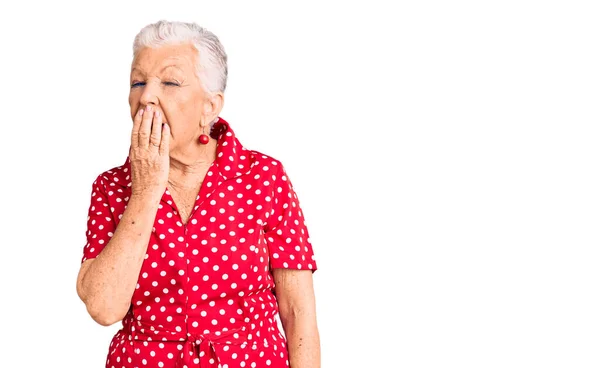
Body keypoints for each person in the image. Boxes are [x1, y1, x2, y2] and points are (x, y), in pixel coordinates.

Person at [75, 20, 320, 368]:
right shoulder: (111, 187)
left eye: (170, 82)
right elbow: (103, 308)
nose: (146, 96)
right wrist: (146, 190)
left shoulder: (264, 177)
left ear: (210, 106)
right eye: (138, 82)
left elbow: (298, 314)